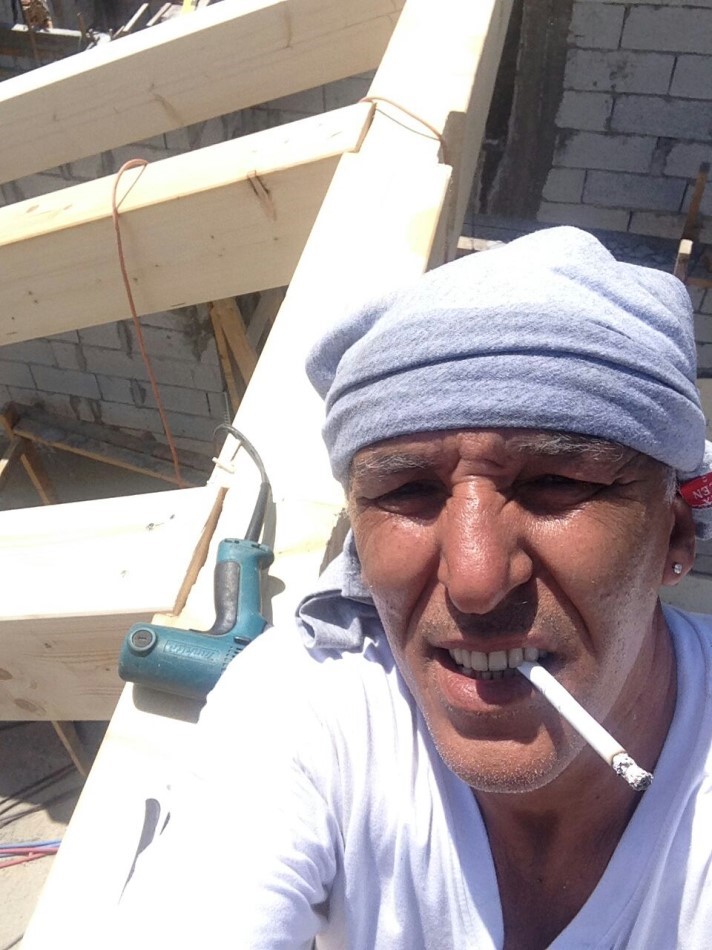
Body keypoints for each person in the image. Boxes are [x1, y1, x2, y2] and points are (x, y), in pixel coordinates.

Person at [118, 226, 712, 949]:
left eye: (557, 482)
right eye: (407, 491)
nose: (475, 581)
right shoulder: (307, 706)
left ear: (674, 538)